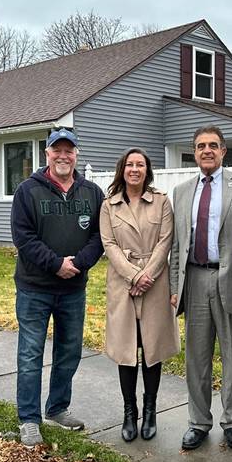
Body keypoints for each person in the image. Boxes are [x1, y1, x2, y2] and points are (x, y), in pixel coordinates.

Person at [11, 128, 105, 447]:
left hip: (73, 290)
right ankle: (28, 419)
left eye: (69, 150)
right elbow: (24, 238)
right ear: (46, 154)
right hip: (34, 288)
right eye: (57, 150)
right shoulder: (28, 191)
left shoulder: (92, 193)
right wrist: (56, 264)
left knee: (69, 352)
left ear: (76, 154)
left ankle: (57, 408)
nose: (63, 155)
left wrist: (77, 264)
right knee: (30, 353)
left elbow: (99, 237)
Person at [169, 125, 232, 451]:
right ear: (194, 152)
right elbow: (178, 246)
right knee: (196, 357)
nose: (207, 151)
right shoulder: (181, 192)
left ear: (223, 151)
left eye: (213, 146)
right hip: (194, 279)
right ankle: (198, 422)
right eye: (200, 146)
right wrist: (174, 286)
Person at [99, 148, 179, 442]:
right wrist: (133, 275)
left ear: (147, 170)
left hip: (155, 283)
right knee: (126, 351)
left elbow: (165, 242)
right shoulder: (109, 205)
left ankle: (150, 410)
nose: (135, 169)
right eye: (130, 164)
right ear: (122, 169)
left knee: (151, 349)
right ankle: (129, 412)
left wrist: (147, 276)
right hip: (123, 284)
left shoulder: (161, 202)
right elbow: (109, 244)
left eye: (140, 165)